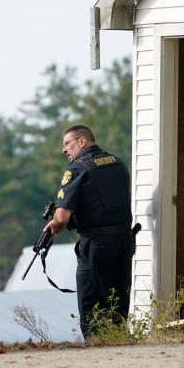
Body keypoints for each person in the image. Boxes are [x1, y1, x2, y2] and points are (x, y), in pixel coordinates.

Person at [44, 124, 133, 340]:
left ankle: (96, 346)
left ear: (82, 141)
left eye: (67, 144)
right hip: (124, 241)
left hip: (96, 244)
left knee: (91, 300)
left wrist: (54, 224)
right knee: (118, 296)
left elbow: (62, 217)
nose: (64, 150)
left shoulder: (77, 169)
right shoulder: (118, 163)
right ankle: (118, 340)